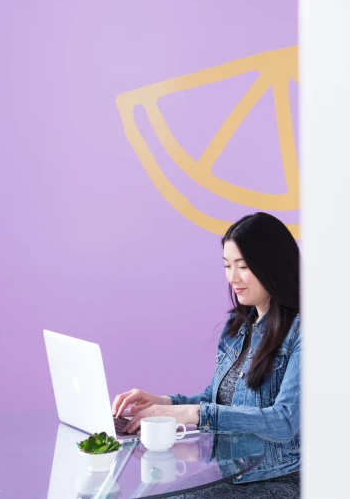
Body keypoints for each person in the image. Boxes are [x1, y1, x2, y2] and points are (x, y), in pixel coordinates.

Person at [112, 212, 301, 498]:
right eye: (227, 266)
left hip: (280, 477)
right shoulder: (238, 326)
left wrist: (189, 415)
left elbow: (284, 421)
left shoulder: (303, 330)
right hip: (233, 471)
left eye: (243, 266)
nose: (232, 278)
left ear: (271, 266)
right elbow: (216, 399)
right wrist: (164, 404)